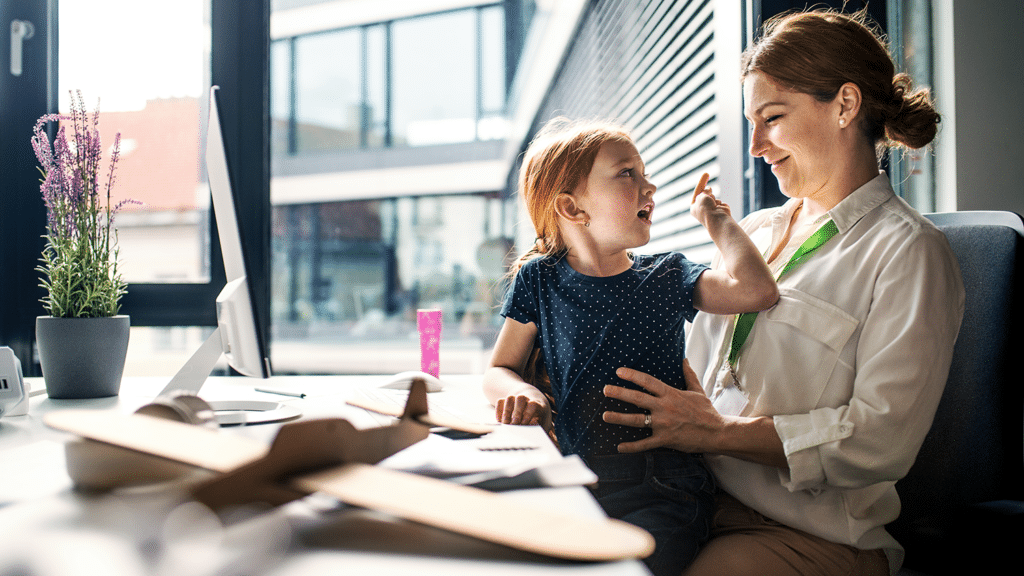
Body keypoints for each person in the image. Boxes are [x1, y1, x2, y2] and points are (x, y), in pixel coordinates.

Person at [601, 8, 965, 576]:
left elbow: (880, 439)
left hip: (810, 534)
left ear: (845, 105)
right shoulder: (756, 233)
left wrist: (721, 433)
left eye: (771, 118)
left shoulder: (909, 252)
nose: (755, 145)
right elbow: (692, 378)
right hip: (694, 498)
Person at [482, 117, 779, 576]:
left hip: (666, 490)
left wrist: (717, 220)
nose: (650, 186)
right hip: (576, 479)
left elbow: (756, 291)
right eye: (628, 174)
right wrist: (525, 394)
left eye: (644, 173)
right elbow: (501, 367)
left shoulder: (666, 274)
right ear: (572, 208)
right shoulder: (538, 280)